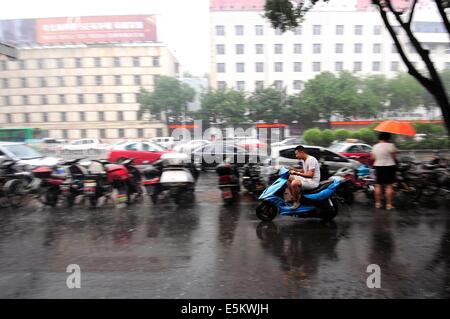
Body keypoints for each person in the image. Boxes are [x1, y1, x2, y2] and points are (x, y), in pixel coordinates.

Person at [371, 132, 397, 210]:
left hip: (378, 166)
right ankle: (389, 205)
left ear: (379, 137)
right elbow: (394, 157)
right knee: (389, 186)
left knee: (378, 185)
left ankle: (378, 204)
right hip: (389, 166)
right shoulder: (391, 145)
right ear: (388, 138)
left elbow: (372, 158)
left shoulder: (375, 146)